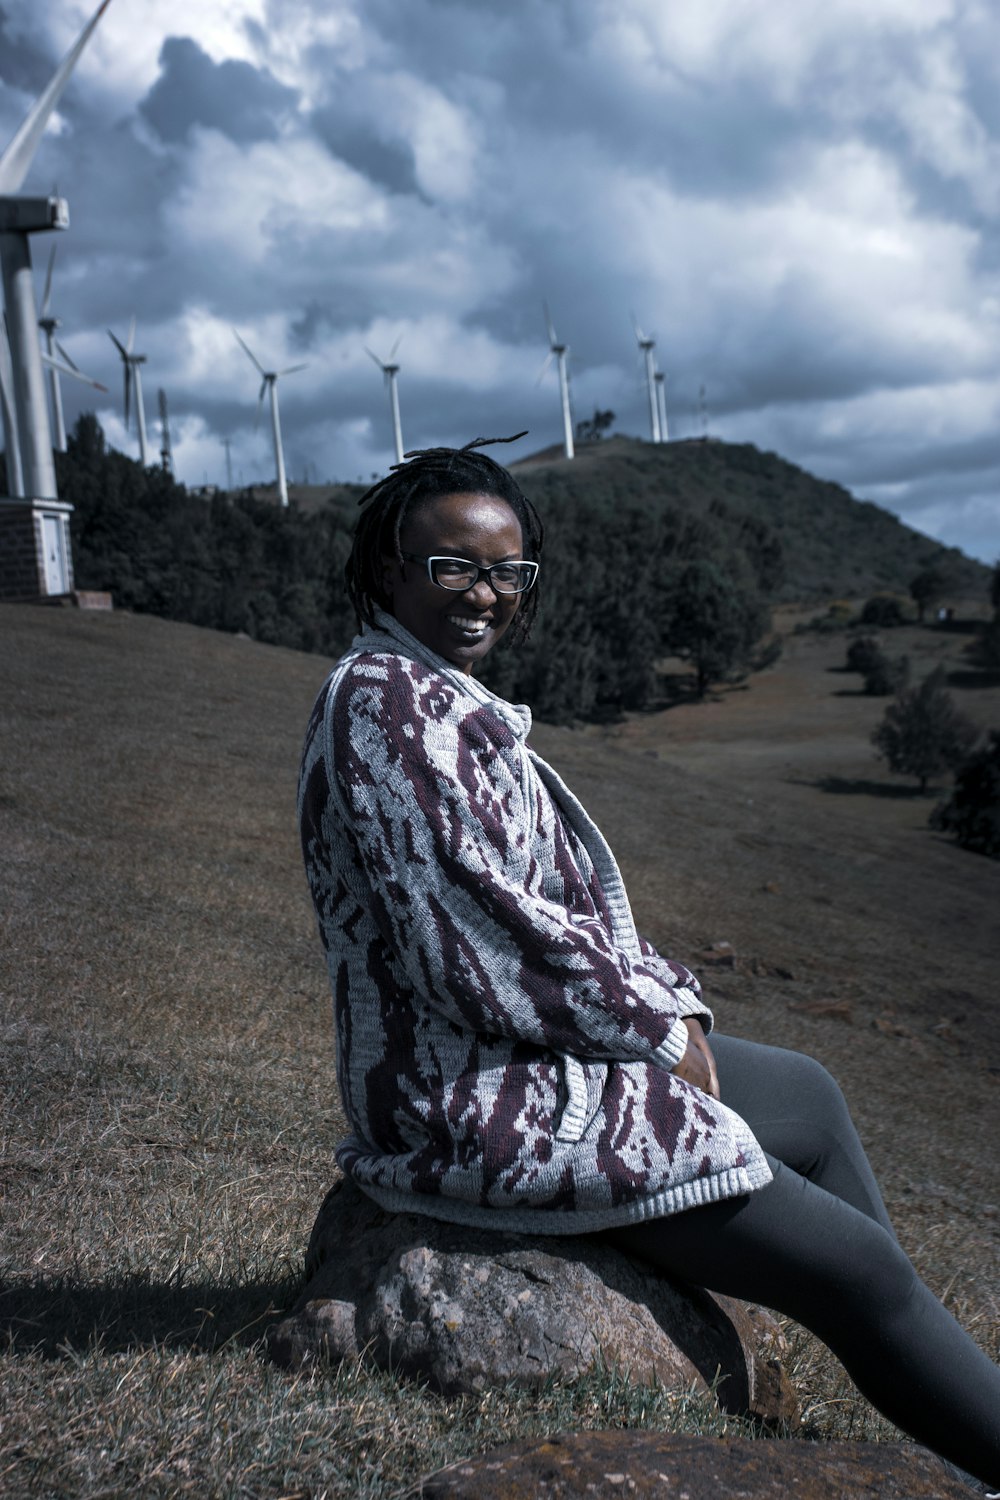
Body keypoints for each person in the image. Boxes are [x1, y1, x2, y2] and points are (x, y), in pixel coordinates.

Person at [298, 437, 1000, 1493]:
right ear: (390, 570)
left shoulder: (432, 695)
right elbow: (472, 938)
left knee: (805, 1093)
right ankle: (916, 1363)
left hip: (521, 1047)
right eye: (453, 566)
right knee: (856, 1273)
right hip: (466, 1086)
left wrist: (674, 1004)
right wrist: (653, 1032)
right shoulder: (387, 706)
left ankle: (922, 1372)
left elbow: (553, 911)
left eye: (507, 571)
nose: (483, 593)